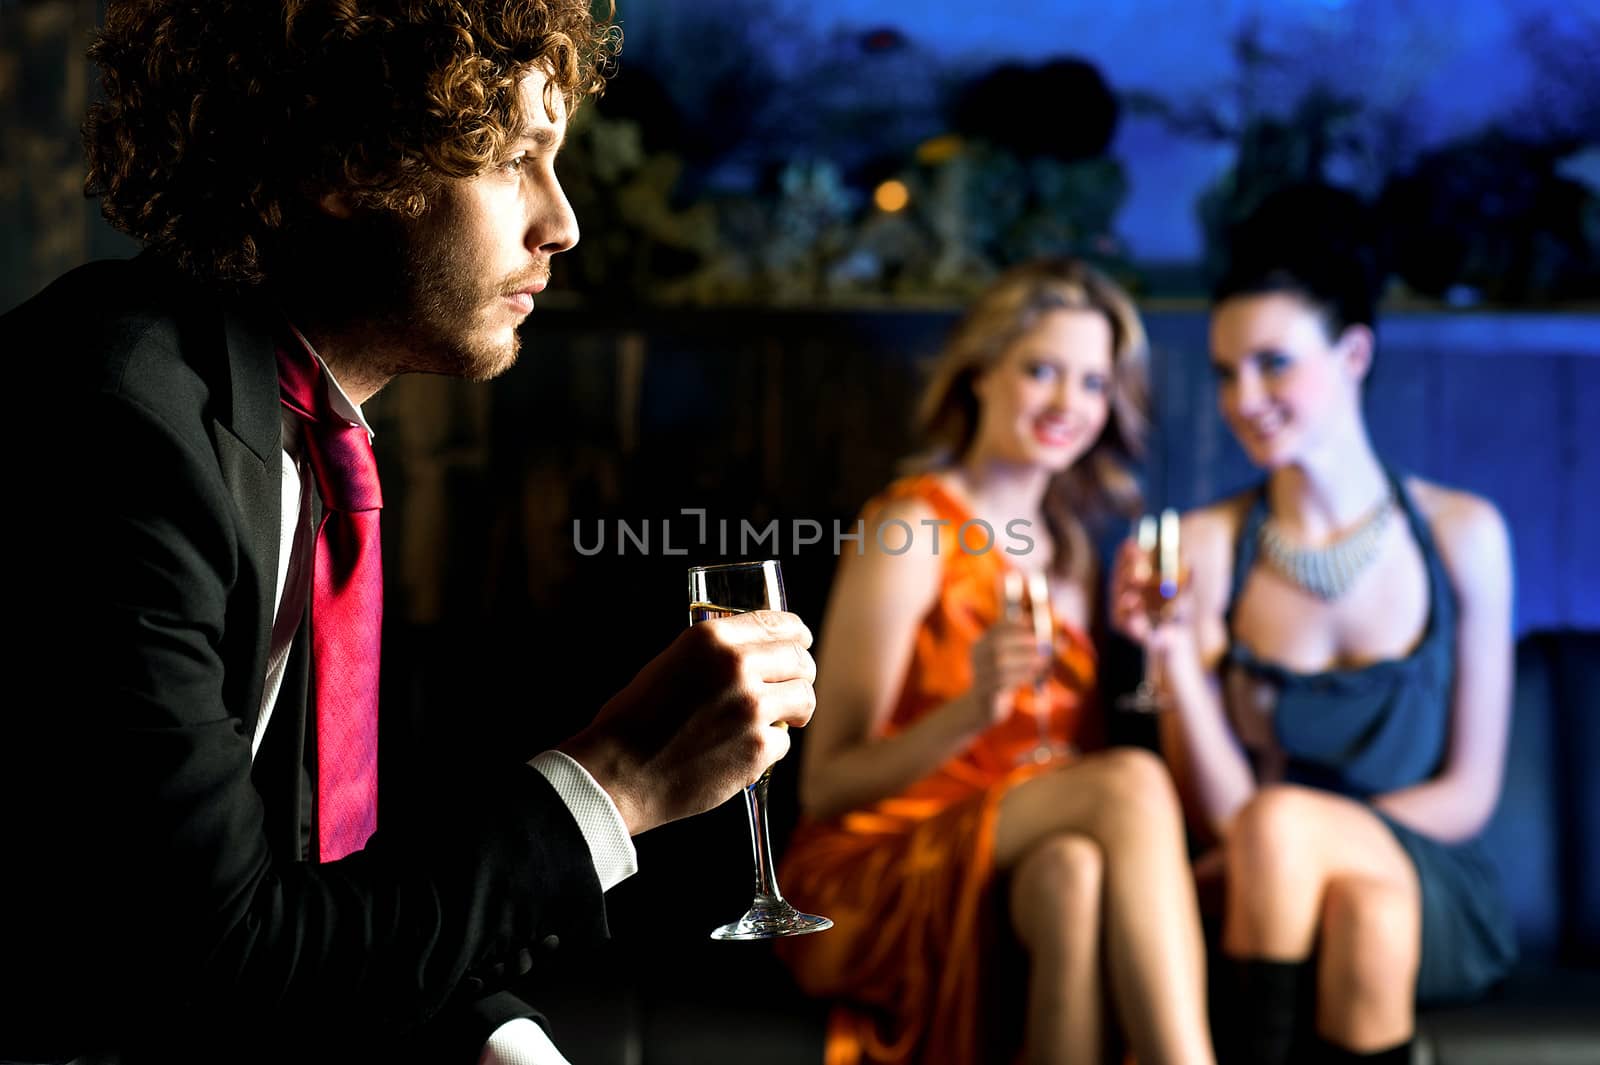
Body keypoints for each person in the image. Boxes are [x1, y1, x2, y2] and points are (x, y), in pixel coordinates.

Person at [0, 2, 816, 1063]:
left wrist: (504, 1044)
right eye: (515, 158)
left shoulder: (300, 432)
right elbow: (207, 964)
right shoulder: (113, 422)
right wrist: (617, 778)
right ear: (351, 166)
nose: (561, 222)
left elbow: (324, 888)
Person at [1111, 184, 1518, 1065]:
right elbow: (1227, 813)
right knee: (1352, 903)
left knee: (1319, 854)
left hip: (1433, 878)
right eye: (1225, 372)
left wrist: (1304, 836)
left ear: (1354, 352)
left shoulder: (1464, 534)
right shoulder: (1210, 545)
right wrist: (1171, 655)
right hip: (1268, 883)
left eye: (1273, 363)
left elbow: (1469, 794)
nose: (1243, 397)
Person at [777, 259, 1218, 1065]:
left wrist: (1163, 653)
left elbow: (1056, 764)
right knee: (1132, 783)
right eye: (1042, 370)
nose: (1068, 404)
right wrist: (972, 709)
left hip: (1015, 850)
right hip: (874, 865)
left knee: (1074, 873)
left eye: (1092, 382)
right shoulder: (911, 528)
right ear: (981, 373)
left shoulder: (1076, 548)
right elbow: (827, 784)